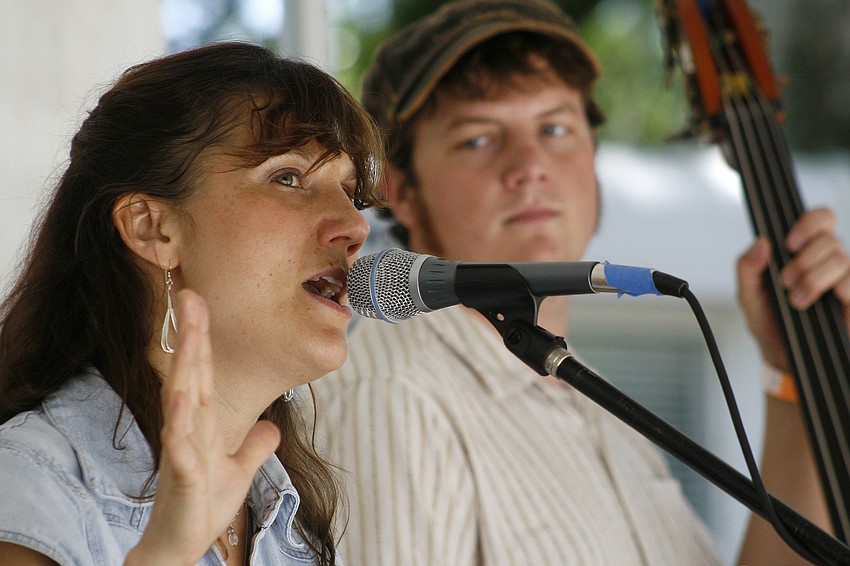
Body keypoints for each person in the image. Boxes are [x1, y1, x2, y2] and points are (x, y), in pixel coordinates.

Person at [312, 0, 848, 564]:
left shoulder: (594, 402)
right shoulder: (396, 394)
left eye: (555, 127)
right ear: (401, 188)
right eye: (477, 139)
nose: (530, 165)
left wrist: (790, 374)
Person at [0, 41, 384, 565]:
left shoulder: (287, 518)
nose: (356, 225)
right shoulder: (26, 486)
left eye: (351, 192)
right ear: (151, 227)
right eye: (288, 177)